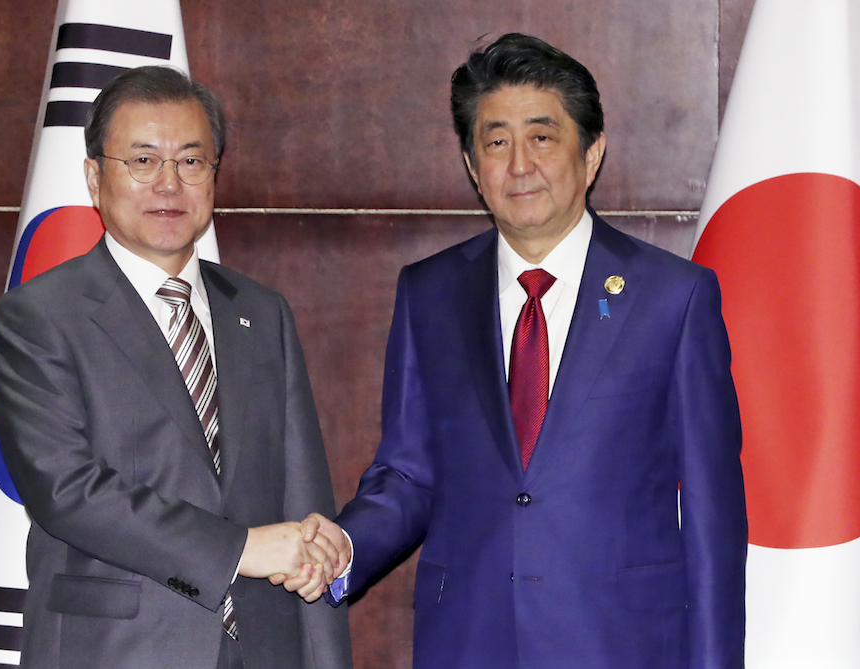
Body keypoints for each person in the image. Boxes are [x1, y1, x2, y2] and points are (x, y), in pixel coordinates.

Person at [319, 33, 747, 668]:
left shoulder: (672, 297)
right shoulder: (429, 293)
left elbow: (713, 514)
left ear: (591, 152)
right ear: (471, 164)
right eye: (496, 142)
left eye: (542, 138)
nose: (519, 165)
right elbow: (407, 472)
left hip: (621, 645)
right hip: (467, 641)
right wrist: (345, 548)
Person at [0, 66, 351, 669]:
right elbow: (65, 491)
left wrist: (320, 555)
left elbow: (300, 488)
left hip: (262, 648)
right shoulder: (39, 316)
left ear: (213, 176)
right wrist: (240, 550)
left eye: (190, 161)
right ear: (94, 177)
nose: (168, 183)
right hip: (113, 650)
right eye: (142, 161)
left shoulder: (261, 312)